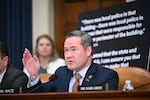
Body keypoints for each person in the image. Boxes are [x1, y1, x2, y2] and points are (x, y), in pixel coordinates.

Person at [22, 30, 118, 93]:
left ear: (88, 51)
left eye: (74, 49)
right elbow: (42, 94)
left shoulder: (107, 76)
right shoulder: (61, 73)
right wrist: (34, 75)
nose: (68, 55)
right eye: (66, 50)